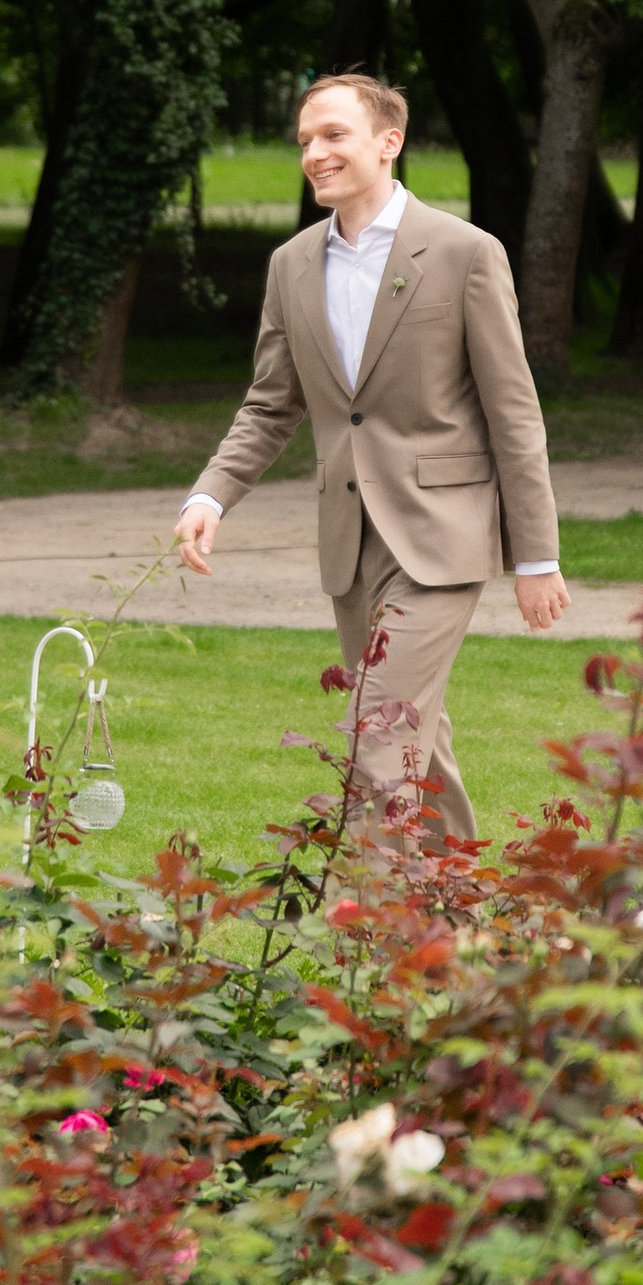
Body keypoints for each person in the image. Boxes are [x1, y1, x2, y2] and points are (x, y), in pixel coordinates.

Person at [175, 70, 568, 840]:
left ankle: (369, 929)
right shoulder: (290, 266)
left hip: (443, 536)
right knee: (417, 740)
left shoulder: (465, 253)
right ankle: (457, 919)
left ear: (389, 143)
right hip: (350, 546)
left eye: (333, 136)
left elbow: (513, 414)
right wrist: (209, 495)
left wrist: (537, 556)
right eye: (304, 142)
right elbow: (270, 401)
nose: (315, 154)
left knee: (378, 732)